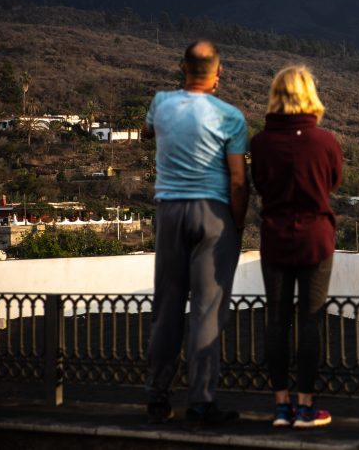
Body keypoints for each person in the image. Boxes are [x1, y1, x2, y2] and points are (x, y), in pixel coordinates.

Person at [143, 40, 249, 426]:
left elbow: (145, 133)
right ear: (218, 72)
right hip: (213, 213)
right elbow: (239, 181)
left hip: (169, 212)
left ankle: (157, 397)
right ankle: (201, 402)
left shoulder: (160, 103)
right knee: (207, 311)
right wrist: (236, 224)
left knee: (167, 307)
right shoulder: (230, 116)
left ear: (182, 67)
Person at [250, 66, 343, 429]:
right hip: (316, 239)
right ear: (310, 95)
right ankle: (306, 406)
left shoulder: (260, 143)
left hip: (275, 238)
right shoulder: (325, 141)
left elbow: (259, 184)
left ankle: (280, 405)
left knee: (276, 321)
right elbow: (333, 182)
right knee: (311, 320)